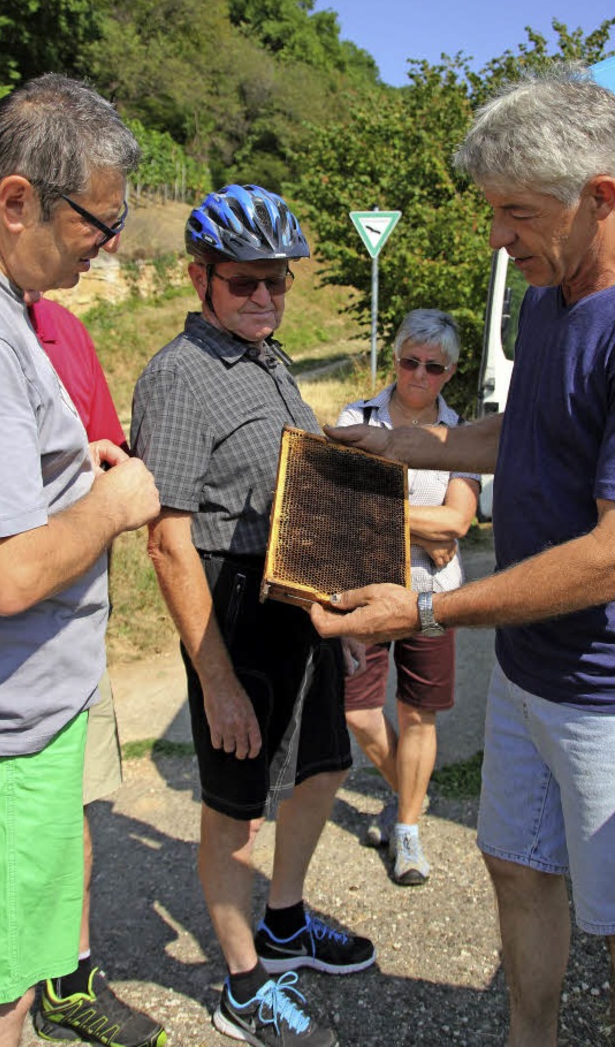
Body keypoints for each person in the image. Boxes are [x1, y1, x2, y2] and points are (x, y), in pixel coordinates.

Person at [310, 65, 615, 1045]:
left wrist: (423, 610)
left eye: (513, 213)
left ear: (601, 198)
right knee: (515, 869)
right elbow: (518, 431)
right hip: (530, 676)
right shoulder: (545, 304)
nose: (494, 237)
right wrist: (401, 444)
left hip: (613, 695)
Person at [131, 184, 375, 1047]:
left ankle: (283, 922)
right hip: (232, 608)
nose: (265, 298)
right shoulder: (177, 376)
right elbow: (168, 541)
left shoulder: (270, 355)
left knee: (323, 768)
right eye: (244, 283)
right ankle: (241, 986)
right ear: (202, 279)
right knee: (235, 811)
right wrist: (218, 679)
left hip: (298, 599)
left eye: (277, 282)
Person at [0, 73, 161, 1047]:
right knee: (7, 991)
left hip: (31, 724)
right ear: (15, 202)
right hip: (13, 739)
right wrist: (109, 503)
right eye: (97, 226)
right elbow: (8, 572)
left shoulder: (15, 307)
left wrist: (71, 474)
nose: (109, 249)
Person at [25, 293, 166, 1047]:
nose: (102, 244)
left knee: (71, 815)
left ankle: (71, 982)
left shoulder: (63, 328)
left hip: (69, 633)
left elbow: (106, 451)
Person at [337, 309, 479, 886]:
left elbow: (458, 526)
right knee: (358, 711)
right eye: (409, 361)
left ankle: (409, 829)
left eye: (433, 366)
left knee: (418, 713)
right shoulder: (357, 419)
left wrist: (387, 516)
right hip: (367, 592)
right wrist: (423, 528)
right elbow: (339, 507)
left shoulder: (462, 434)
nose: (419, 374)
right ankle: (408, 800)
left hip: (432, 599)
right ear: (394, 358)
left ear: (450, 371)